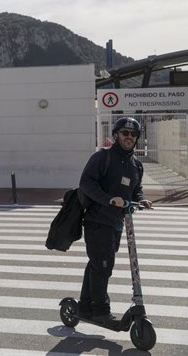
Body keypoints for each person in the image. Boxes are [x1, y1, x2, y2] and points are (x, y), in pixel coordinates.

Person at [77, 117, 152, 325]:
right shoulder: (103, 157)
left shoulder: (135, 164)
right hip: (97, 221)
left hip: (117, 223)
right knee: (103, 266)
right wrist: (108, 199)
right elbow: (86, 183)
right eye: (125, 133)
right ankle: (100, 311)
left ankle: (84, 306)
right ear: (116, 134)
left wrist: (140, 199)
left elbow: (136, 188)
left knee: (97, 264)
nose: (129, 137)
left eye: (133, 134)